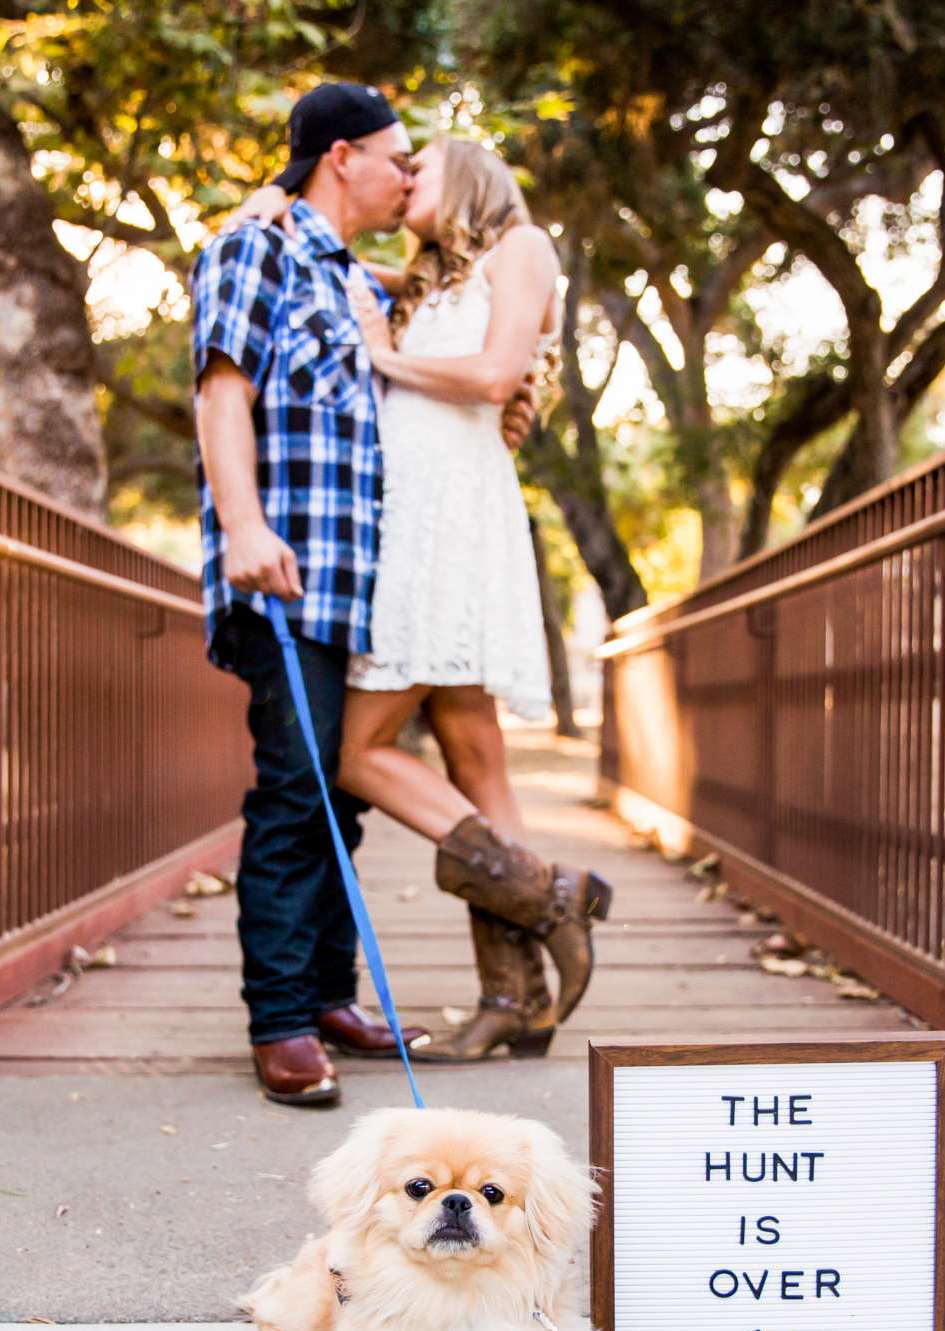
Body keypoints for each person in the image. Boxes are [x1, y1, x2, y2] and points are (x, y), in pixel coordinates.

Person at [226, 136, 611, 1063]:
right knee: (477, 762)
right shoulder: (429, 277)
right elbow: (327, 249)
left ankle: (548, 896)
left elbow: (492, 375)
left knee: (357, 751)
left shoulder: (523, 245)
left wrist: (382, 359)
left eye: (419, 172)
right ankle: (514, 995)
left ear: (471, 176)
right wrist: (262, 207)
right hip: (413, 515)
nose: (403, 187)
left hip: (448, 520)